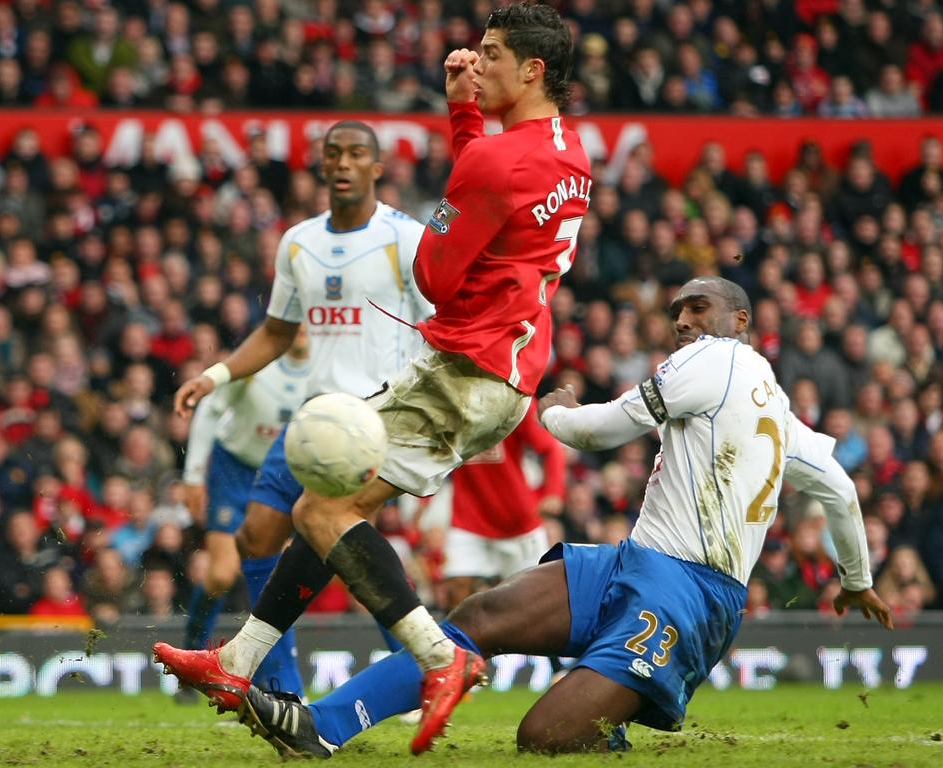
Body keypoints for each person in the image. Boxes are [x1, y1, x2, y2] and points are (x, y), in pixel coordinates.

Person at [154, 3, 590, 754]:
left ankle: (437, 655)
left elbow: (435, 275)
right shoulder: (570, 153)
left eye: (488, 55)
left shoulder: (493, 160)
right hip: (506, 369)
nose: (472, 63)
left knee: (321, 514)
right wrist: (465, 121)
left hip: (462, 369)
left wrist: (462, 138)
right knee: (323, 506)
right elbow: (492, 202)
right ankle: (238, 663)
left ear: (532, 69)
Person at [234, 276, 892, 758]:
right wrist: (857, 578)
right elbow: (838, 489)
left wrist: (556, 413)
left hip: (686, 595)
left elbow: (602, 430)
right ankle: (321, 726)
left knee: (543, 739)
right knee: (479, 617)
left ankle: (610, 721)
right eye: (675, 312)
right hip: (640, 564)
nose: (684, 321)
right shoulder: (775, 405)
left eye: (698, 307)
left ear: (740, 319)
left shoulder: (713, 358)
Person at [158, 118, 432, 696]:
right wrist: (214, 376)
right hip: (315, 419)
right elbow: (278, 332)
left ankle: (422, 667)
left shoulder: (406, 239)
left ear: (377, 168)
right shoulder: (298, 242)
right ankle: (283, 688)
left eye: (357, 153)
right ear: (321, 164)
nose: (343, 162)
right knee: (257, 536)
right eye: (333, 153)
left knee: (332, 541)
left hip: (376, 417)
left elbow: (439, 323)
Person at [178, 327, 309, 697]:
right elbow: (210, 409)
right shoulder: (257, 363)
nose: (300, 329)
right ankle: (193, 650)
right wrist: (193, 476)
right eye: (293, 320)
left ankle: (272, 680)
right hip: (233, 470)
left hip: (283, 474)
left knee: (273, 580)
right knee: (221, 574)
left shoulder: (324, 371)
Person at [441, 403, 565, 609]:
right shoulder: (451, 399)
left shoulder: (515, 400)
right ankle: (460, 642)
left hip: (518, 522)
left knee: (530, 602)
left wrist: (553, 492)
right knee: (455, 588)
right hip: (468, 517)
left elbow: (550, 449)